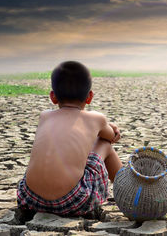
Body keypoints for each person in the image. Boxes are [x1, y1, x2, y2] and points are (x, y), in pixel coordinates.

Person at [17, 61, 123, 216]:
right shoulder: (96, 118)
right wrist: (110, 127)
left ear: (53, 97)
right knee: (104, 143)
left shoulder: (44, 116)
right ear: (89, 97)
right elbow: (111, 137)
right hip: (73, 201)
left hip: (29, 199)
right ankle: (127, 190)